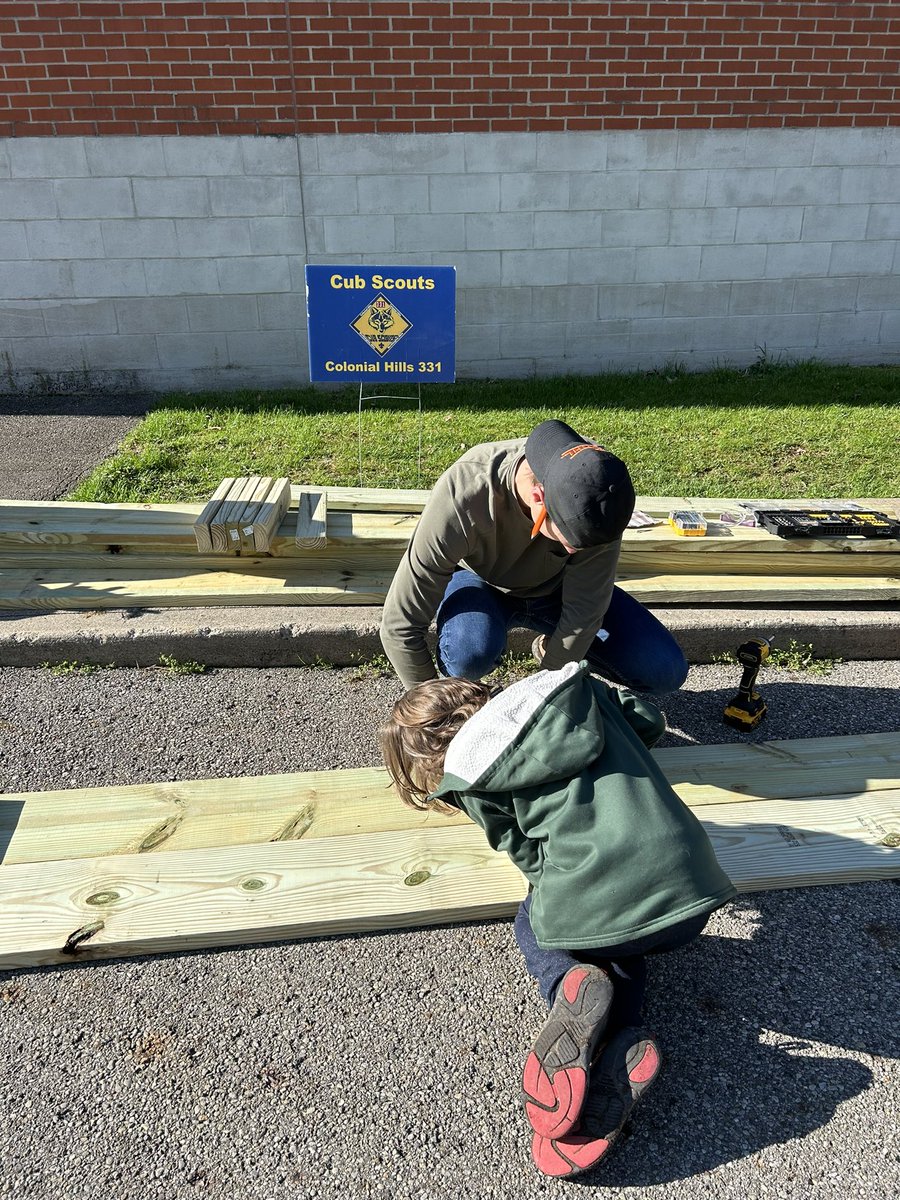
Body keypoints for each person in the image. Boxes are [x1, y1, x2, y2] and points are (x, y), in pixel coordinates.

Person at [381, 660, 736, 1178]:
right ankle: (621, 1039)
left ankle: (568, 978)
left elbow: (527, 855)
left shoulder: (471, 771)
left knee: (542, 921)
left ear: (427, 753)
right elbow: (648, 720)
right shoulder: (574, 695)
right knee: (617, 935)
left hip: (602, 901)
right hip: (696, 889)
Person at [379, 418, 688, 694]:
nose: (573, 552)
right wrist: (432, 707)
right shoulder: (466, 492)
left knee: (663, 670)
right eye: (568, 544)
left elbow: (584, 612)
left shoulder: (598, 495)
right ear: (538, 498)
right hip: (479, 581)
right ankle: (465, 691)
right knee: (469, 653)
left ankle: (548, 648)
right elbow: (400, 624)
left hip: (556, 590)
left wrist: (543, 694)